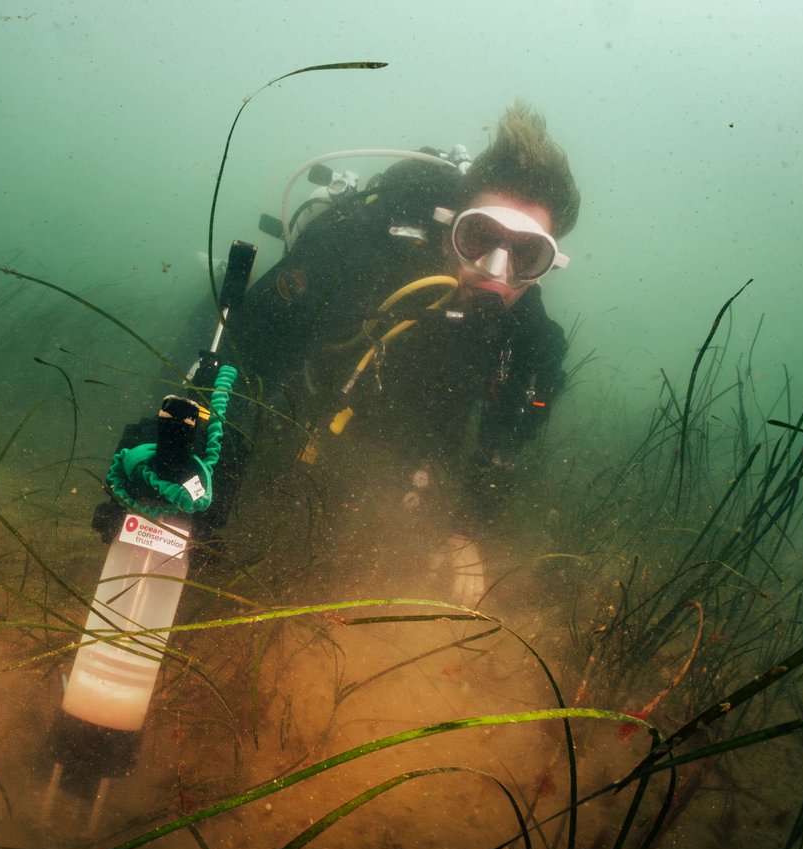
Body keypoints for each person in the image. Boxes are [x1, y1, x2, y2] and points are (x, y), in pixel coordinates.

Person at [217, 102, 581, 605]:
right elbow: (249, 345)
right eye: (478, 238)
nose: (496, 270)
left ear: (549, 262)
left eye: (528, 253)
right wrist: (215, 455)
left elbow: (506, 441)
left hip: (398, 428)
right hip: (306, 393)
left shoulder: (534, 339)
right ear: (450, 224)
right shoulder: (356, 251)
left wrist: (463, 531)